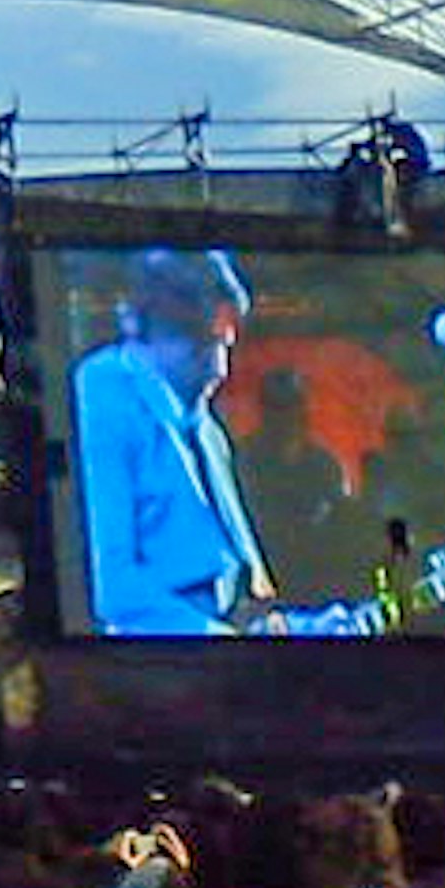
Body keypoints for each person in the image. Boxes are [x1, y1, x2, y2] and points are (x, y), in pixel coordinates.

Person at [71, 249, 276, 635]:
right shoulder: (101, 394)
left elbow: (251, 583)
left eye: (229, 345)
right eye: (214, 345)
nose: (222, 369)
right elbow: (112, 587)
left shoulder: (204, 423)